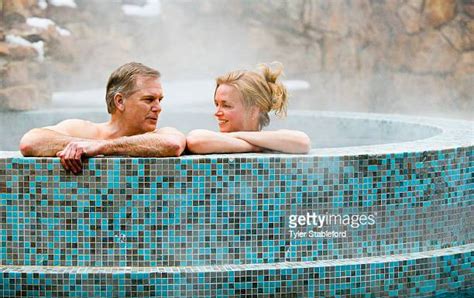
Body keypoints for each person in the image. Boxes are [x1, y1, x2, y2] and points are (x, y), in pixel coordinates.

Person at [20, 62, 186, 174]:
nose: (158, 108)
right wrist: (82, 146)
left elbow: (173, 144)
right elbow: (30, 141)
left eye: (160, 100)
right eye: (149, 99)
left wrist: (101, 147)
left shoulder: (160, 134)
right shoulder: (85, 130)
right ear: (120, 101)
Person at [186, 62, 311, 154]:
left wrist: (240, 138)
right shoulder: (271, 143)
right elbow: (195, 140)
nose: (217, 113)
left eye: (226, 105)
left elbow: (303, 142)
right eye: (216, 104)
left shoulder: (274, 139)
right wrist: (255, 146)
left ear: (253, 110)